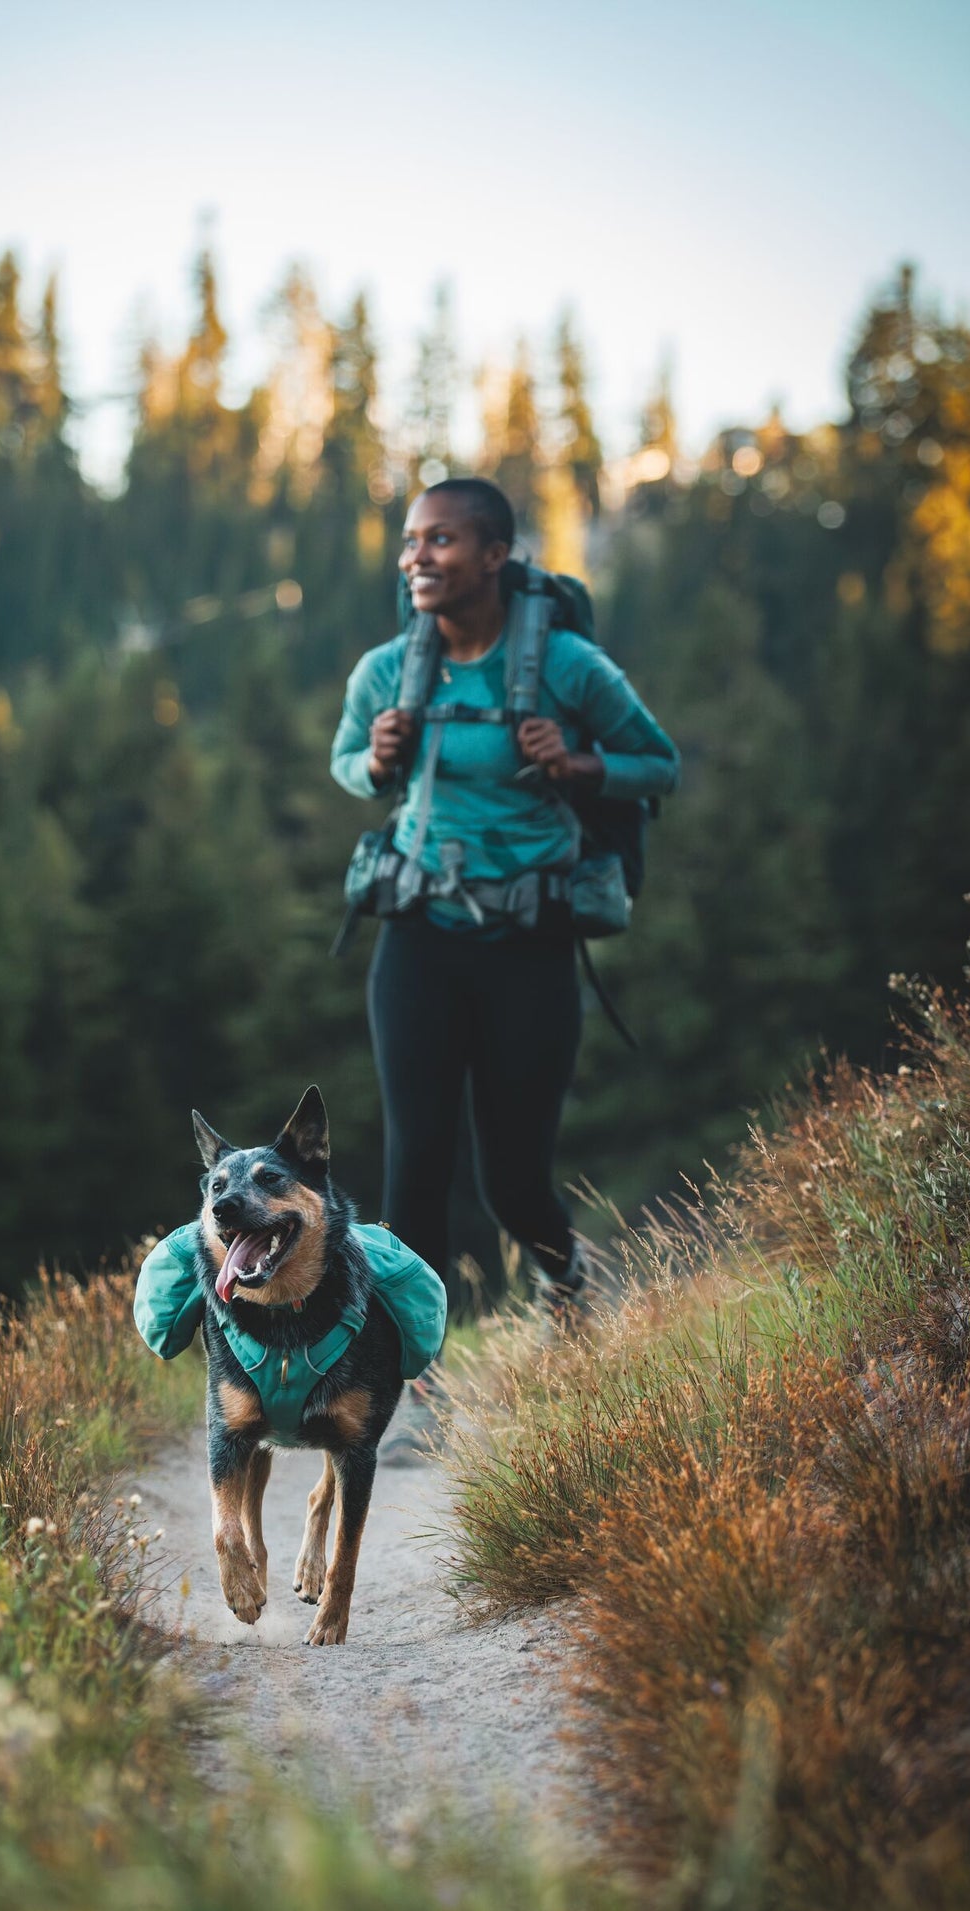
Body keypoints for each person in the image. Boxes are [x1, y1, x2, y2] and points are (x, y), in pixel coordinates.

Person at [330, 476, 680, 1310]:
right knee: (414, 1157)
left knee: (512, 1181)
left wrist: (578, 764)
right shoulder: (388, 669)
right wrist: (375, 762)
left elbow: (658, 763)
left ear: (496, 556)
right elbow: (345, 763)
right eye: (411, 539)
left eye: (440, 540)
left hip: (530, 944)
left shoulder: (566, 664)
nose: (417, 555)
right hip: (418, 934)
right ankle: (407, 1359)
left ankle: (564, 1280)